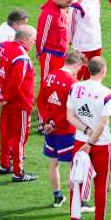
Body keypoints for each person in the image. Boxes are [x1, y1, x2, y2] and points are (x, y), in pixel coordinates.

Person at [67, 56, 111, 220]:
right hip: (101, 143)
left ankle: (74, 219)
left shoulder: (75, 87)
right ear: (103, 71)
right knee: (101, 184)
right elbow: (102, 125)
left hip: (79, 140)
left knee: (76, 178)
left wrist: (86, 133)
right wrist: (91, 141)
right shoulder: (107, 93)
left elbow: (70, 117)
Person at [37, 51, 85, 206]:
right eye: (80, 68)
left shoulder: (49, 77)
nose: (79, 71)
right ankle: (78, 201)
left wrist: (47, 122)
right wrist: (55, 123)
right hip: (67, 131)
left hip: (50, 130)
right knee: (74, 166)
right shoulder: (74, 83)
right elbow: (71, 112)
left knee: (53, 163)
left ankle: (57, 196)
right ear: (77, 65)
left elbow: (41, 102)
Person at [0, 25, 38, 181]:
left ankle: (4, 165)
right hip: (20, 104)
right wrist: (6, 97)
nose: (34, 42)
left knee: (6, 135)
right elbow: (15, 83)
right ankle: (18, 172)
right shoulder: (22, 57)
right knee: (19, 138)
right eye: (33, 39)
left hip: (6, 102)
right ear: (25, 39)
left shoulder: (3, 48)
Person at [36, 0, 75, 81]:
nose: (69, 5)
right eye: (68, 2)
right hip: (50, 56)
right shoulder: (48, 13)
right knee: (46, 82)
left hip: (61, 56)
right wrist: (40, 53)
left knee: (56, 83)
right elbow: (41, 35)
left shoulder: (61, 8)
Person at [69, 0, 102, 80]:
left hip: (96, 43)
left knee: (92, 73)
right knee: (77, 74)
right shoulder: (77, 4)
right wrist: (71, 40)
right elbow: (71, 24)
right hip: (81, 45)